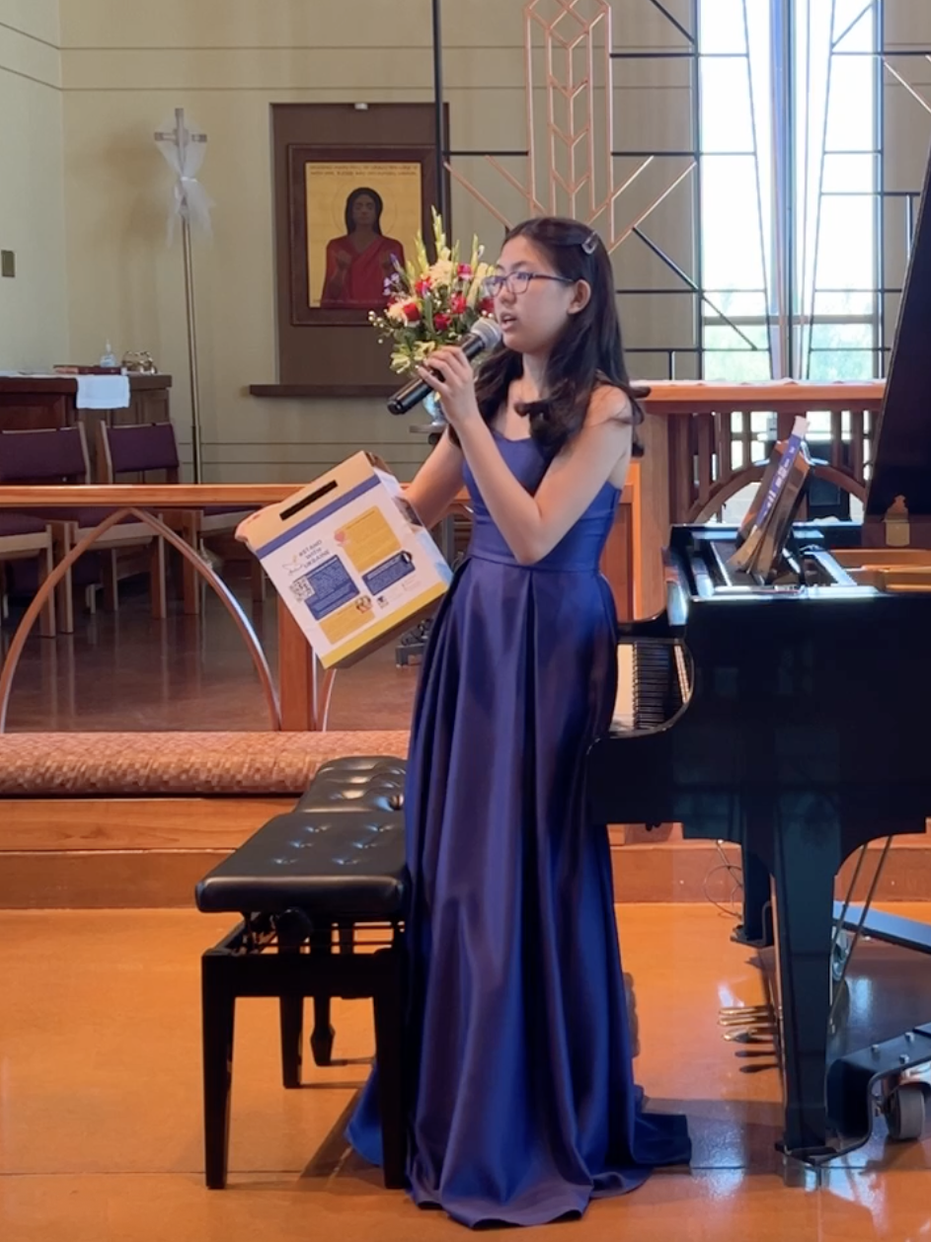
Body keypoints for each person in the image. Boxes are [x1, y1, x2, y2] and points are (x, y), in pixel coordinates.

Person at [348, 216, 690, 1226]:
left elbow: (537, 534)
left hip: (552, 643)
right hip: (478, 640)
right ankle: (457, 1100)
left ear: (577, 297)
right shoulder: (491, 392)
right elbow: (415, 512)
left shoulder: (608, 410)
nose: (501, 291)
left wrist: (464, 417)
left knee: (533, 867)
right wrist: (307, 524)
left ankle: (545, 1113)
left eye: (523, 276)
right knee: (463, 872)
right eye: (496, 275)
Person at [318, 187, 406, 310]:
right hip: (345, 318)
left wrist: (388, 270)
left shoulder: (391, 247)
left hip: (384, 317)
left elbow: (401, 294)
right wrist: (340, 270)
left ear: (377, 211)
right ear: (351, 212)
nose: (364, 211)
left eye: (369, 207)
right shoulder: (337, 247)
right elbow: (332, 294)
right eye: (358, 207)